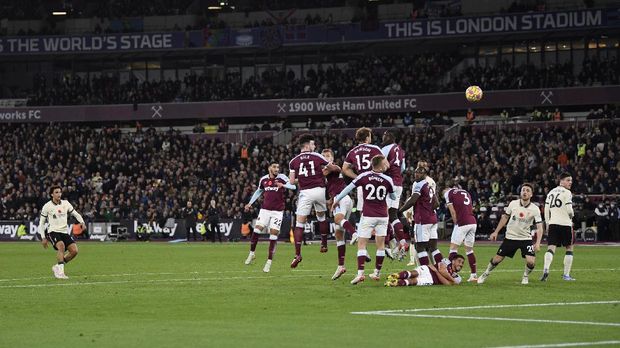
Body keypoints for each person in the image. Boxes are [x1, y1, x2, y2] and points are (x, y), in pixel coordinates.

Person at [332, 155, 395, 285]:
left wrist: (336, 200)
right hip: (383, 216)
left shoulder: (364, 176)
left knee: (362, 244)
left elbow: (348, 189)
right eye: (384, 163)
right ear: (380, 164)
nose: (385, 165)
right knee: (381, 245)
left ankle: (360, 273)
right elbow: (393, 197)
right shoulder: (388, 179)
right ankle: (376, 272)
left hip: (368, 215)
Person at [478, 183, 543, 285]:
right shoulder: (513, 204)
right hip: (510, 237)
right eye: (523, 190)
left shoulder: (535, 209)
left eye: (527, 191)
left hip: (525, 238)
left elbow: (539, 227)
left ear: (531, 194)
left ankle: (525, 276)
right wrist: (496, 232)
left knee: (531, 262)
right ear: (520, 192)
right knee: (496, 260)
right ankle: (486, 273)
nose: (525, 192)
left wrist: (538, 243)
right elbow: (505, 217)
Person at [288, 133, 336, 268]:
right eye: (313, 144)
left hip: (305, 193)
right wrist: (320, 173)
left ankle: (297, 254)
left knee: (299, 224)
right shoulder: (317, 156)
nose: (314, 146)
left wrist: (304, 179)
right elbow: (331, 167)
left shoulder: (293, 161)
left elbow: (292, 182)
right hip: (320, 190)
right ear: (307, 145)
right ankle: (324, 244)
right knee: (321, 217)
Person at [244, 163, 296, 273]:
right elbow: (259, 191)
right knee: (257, 229)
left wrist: (284, 185)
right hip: (265, 210)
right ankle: (251, 254)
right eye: (274, 167)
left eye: (278, 167)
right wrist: (250, 203)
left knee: (273, 235)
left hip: (277, 212)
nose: (277, 169)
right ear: (269, 169)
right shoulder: (263, 179)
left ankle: (268, 262)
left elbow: (293, 186)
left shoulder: (282, 177)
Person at [342, 127, 383, 245]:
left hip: (362, 185)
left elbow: (345, 169)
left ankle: (362, 236)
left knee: (363, 211)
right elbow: (385, 165)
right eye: (370, 136)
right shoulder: (375, 149)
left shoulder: (353, 151)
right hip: (375, 183)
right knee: (380, 208)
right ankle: (383, 239)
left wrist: (357, 178)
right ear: (366, 138)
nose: (371, 138)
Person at [322, 149, 357, 280]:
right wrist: (329, 200)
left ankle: (354, 233)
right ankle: (341, 266)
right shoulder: (329, 171)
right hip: (341, 199)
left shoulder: (333, 167)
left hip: (341, 199)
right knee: (338, 233)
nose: (325, 158)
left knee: (337, 219)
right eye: (323, 156)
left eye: (328, 156)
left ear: (332, 157)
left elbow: (320, 175)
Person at [38, 185, 86, 279]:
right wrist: (43, 237)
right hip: (53, 231)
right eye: (56, 192)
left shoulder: (66, 203)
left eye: (60, 192)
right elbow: (42, 222)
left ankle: (57, 267)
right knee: (61, 246)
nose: (59, 194)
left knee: (74, 251)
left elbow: (75, 213)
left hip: (64, 232)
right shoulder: (47, 206)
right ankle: (60, 273)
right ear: (52, 194)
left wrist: (82, 222)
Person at [399, 166, 443, 267]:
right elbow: (437, 203)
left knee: (420, 247)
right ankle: (442, 269)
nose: (416, 174)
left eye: (420, 172)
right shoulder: (429, 186)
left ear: (425, 175)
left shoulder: (419, 184)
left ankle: (425, 273)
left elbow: (412, 200)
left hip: (423, 220)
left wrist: (400, 211)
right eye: (416, 172)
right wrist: (429, 209)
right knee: (433, 248)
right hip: (432, 219)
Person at [541, 173, 576, 281]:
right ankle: (566, 275)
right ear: (561, 181)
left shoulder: (551, 192)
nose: (570, 182)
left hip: (553, 223)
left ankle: (546, 269)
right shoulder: (567, 192)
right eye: (568, 180)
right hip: (565, 223)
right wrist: (572, 216)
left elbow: (546, 210)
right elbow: (570, 210)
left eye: (571, 180)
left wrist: (547, 223)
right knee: (569, 248)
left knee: (551, 247)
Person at [381, 130, 408, 261]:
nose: (383, 138)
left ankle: (386, 244)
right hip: (399, 183)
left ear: (390, 137)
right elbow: (403, 168)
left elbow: (381, 164)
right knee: (393, 215)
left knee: (383, 214)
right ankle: (402, 242)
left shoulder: (386, 148)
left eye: (385, 136)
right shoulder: (400, 150)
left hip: (389, 183)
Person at [443, 186, 478, 282]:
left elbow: (453, 212)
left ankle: (449, 273)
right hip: (473, 222)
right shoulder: (465, 191)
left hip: (462, 222)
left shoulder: (448, 193)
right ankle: (473, 275)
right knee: (469, 250)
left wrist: (456, 225)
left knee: (453, 248)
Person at [385, 255, 465, 287]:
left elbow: (447, 284)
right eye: (459, 261)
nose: (461, 264)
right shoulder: (446, 261)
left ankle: (394, 283)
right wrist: (452, 280)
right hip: (428, 269)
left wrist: (436, 272)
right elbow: (442, 271)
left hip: (432, 280)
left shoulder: (458, 278)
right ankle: (397, 275)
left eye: (462, 263)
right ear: (453, 261)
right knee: (414, 273)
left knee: (414, 282)